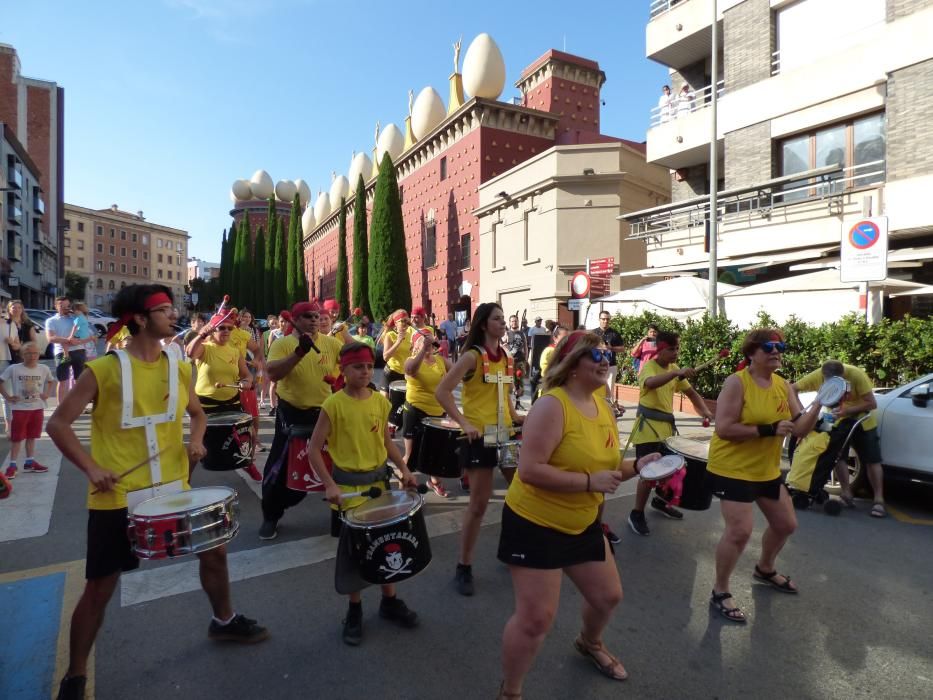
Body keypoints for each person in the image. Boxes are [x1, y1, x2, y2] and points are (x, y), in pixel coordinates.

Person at [47, 284, 268, 700]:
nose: (173, 315)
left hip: (173, 484)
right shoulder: (104, 370)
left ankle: (223, 620)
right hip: (118, 495)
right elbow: (58, 424)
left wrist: (197, 440)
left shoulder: (178, 366)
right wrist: (92, 468)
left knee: (216, 553)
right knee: (100, 585)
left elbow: (197, 414)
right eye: (164, 310)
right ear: (141, 319)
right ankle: (75, 675)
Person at [497, 331, 661, 697]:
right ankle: (510, 691)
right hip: (535, 525)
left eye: (606, 354)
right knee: (535, 619)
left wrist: (639, 465)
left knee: (607, 596)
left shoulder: (601, 403)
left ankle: (589, 642)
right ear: (571, 366)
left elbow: (605, 464)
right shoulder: (551, 406)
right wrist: (589, 482)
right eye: (594, 355)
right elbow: (529, 470)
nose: (605, 361)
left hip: (581, 522)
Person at [705, 329, 820, 623]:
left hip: (765, 470)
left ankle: (765, 568)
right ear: (752, 353)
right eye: (768, 346)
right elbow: (724, 428)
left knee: (786, 524)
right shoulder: (737, 382)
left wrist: (821, 402)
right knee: (740, 531)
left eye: (780, 346)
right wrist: (768, 430)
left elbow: (800, 429)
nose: (775, 351)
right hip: (732, 468)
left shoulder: (783, 385)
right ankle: (720, 590)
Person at [308, 342, 419, 646]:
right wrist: (329, 484)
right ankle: (355, 609)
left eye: (369, 366)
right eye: (358, 367)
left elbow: (385, 442)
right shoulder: (334, 405)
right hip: (348, 492)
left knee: (387, 545)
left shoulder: (380, 403)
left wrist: (404, 470)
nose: (366, 372)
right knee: (355, 555)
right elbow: (313, 450)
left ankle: (389, 602)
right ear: (343, 370)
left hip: (379, 488)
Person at [436, 302, 524, 596]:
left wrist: (517, 416)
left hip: (507, 435)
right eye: (497, 319)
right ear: (484, 324)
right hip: (480, 438)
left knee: (522, 493)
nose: (503, 323)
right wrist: (463, 422)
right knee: (479, 503)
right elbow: (443, 391)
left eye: (503, 318)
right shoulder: (472, 356)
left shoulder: (508, 358)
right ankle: (464, 565)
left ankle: (512, 548)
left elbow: (505, 396)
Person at [260, 301, 344, 540]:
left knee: (339, 465)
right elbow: (273, 373)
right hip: (292, 415)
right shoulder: (284, 343)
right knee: (280, 469)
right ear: (296, 320)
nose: (315, 320)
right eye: (308, 316)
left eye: (317, 316)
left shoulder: (331, 343)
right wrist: (299, 353)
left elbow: (348, 360)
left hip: (325, 414)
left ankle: (341, 516)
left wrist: (342, 378)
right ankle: (271, 516)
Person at [626, 330, 713, 536]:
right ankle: (636, 513)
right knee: (647, 473)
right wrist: (675, 373)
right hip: (647, 428)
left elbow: (691, 393)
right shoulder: (649, 367)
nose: (675, 353)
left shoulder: (674, 369)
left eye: (677, 348)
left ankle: (660, 501)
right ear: (660, 349)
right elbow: (650, 383)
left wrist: (705, 412)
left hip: (666, 429)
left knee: (668, 470)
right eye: (671, 349)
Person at [791, 360, 886, 517]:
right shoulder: (818, 375)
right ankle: (847, 494)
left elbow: (871, 403)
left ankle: (878, 500)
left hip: (862, 420)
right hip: (836, 420)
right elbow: (792, 389)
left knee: (872, 459)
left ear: (843, 375)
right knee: (837, 455)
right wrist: (805, 415)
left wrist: (848, 410)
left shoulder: (856, 375)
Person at [186, 313, 261, 481]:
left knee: (250, 435)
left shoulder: (235, 352)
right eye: (221, 328)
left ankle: (248, 463)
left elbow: (246, 375)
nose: (226, 331)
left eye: (229, 328)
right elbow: (190, 352)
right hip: (206, 406)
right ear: (213, 331)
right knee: (197, 446)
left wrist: (247, 382)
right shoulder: (206, 348)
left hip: (232, 402)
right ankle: (186, 478)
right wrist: (201, 335)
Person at [403, 329, 453, 497]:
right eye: (423, 341)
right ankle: (405, 487)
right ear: (416, 344)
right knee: (410, 456)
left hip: (437, 412)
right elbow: (410, 370)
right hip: (416, 410)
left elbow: (459, 372)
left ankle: (434, 482)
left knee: (435, 452)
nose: (428, 344)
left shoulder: (440, 360)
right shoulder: (411, 360)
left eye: (430, 341)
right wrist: (423, 350)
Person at [1, 342, 55, 478]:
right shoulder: (14, 369)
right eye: (28, 353)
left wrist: (47, 394)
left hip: (37, 408)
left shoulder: (43, 368)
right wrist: (7, 397)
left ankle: (29, 462)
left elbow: (50, 380)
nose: (32, 356)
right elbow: (0, 381)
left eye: (35, 353)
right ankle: (12, 465)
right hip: (19, 409)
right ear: (22, 355)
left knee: (32, 436)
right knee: (17, 438)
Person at [2, 300, 38, 436]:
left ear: (22, 309)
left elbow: (33, 342)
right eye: (13, 307)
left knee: (26, 392)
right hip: (6, 359)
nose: (16, 310)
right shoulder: (4, 324)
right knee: (8, 394)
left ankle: (24, 421)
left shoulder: (28, 324)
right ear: (9, 309)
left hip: (24, 360)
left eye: (18, 307)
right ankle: (9, 424)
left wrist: (21, 346)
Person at [231, 308, 265, 451]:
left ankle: (255, 440)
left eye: (248, 317)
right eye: (242, 316)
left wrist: (256, 362)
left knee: (252, 410)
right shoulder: (218, 333)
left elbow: (258, 350)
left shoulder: (248, 333)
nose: (244, 319)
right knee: (235, 414)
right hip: (227, 380)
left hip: (246, 376)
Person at [46, 296, 86, 403]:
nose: (65, 308)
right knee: (63, 380)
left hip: (79, 351)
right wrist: (68, 340)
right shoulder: (51, 321)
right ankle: (61, 407)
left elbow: (85, 332)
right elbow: (51, 338)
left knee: (79, 380)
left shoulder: (75, 317)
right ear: (56, 306)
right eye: (61, 305)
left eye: (67, 305)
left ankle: (78, 405)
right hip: (61, 353)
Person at [592, 311, 625, 414]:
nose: (605, 321)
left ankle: (608, 411)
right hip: (596, 365)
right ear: (599, 319)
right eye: (603, 319)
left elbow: (622, 348)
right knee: (596, 387)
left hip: (611, 365)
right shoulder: (593, 333)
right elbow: (586, 347)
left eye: (607, 319)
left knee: (609, 389)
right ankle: (595, 408)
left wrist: (611, 348)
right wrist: (599, 347)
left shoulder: (614, 333)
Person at [381, 309, 413, 395]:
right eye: (402, 321)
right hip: (391, 372)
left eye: (406, 321)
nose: (405, 323)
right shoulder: (390, 335)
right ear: (395, 323)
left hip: (405, 374)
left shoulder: (412, 335)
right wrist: (398, 341)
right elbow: (385, 357)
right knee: (385, 400)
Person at [506, 315, 529, 409]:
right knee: (510, 382)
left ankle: (518, 403)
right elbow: (503, 346)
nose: (514, 323)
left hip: (520, 360)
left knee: (519, 382)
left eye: (515, 321)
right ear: (509, 322)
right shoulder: (506, 333)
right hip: (510, 360)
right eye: (512, 321)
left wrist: (526, 359)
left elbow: (526, 347)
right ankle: (509, 403)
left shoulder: (522, 333)